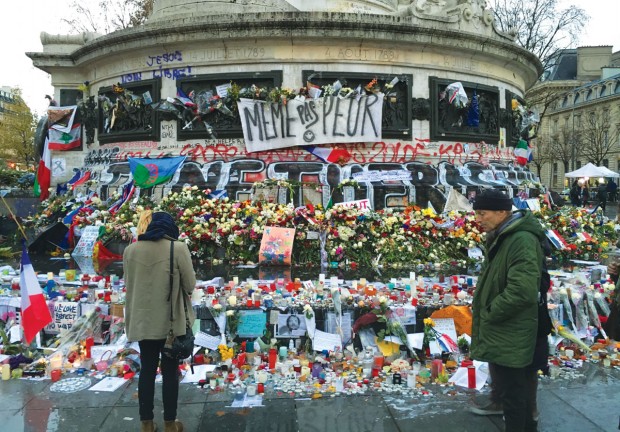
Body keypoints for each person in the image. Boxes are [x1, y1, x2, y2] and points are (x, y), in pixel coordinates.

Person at [468, 189, 544, 432]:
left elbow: (522, 291)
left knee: (514, 394)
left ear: (502, 212)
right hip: (506, 327)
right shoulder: (503, 235)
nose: (478, 219)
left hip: (511, 326)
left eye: (482, 213)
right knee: (511, 390)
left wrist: (491, 311)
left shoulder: (520, 239)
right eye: (476, 213)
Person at [124, 212, 196, 432]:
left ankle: (146, 424)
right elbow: (190, 285)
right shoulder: (178, 248)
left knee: (146, 370)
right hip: (170, 324)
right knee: (170, 373)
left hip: (143, 322)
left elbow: (130, 283)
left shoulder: (130, 250)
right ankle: (170, 424)